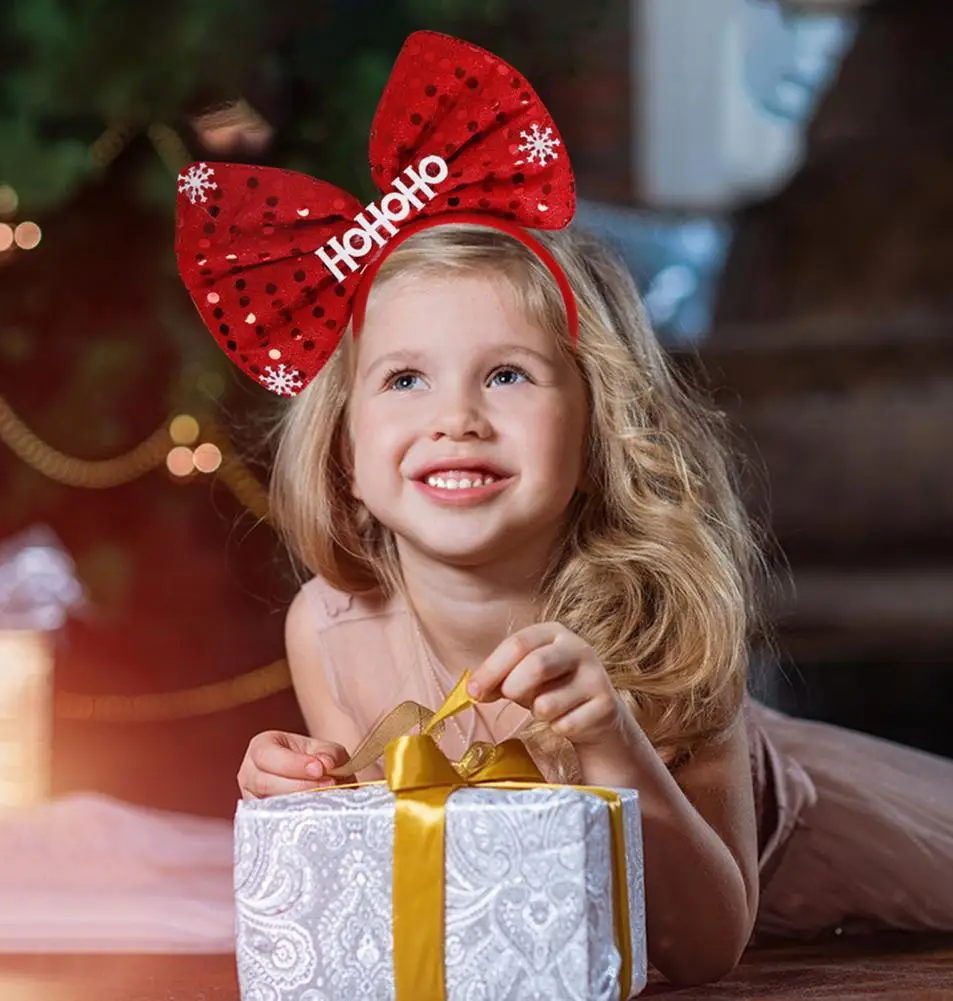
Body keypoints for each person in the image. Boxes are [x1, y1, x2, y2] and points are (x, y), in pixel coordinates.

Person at [175, 29, 953, 990]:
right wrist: (298, 793)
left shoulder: (663, 611)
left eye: (507, 374)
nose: (455, 417)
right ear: (342, 447)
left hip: (801, 832)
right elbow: (405, 867)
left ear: (597, 428)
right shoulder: (333, 631)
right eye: (405, 378)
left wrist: (609, 739)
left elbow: (705, 942)